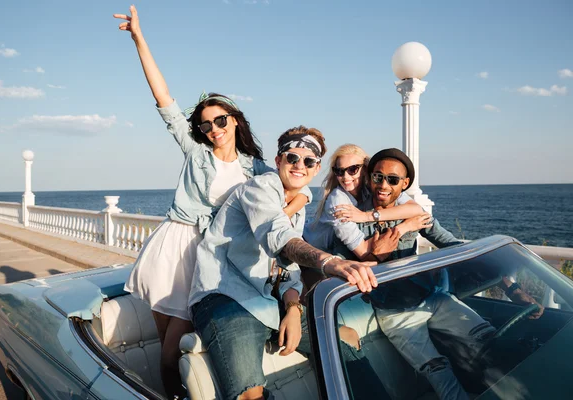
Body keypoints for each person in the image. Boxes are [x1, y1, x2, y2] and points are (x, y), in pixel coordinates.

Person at [113, 6, 307, 398]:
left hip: (213, 257)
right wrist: (139, 38)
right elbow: (164, 100)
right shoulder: (196, 153)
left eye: (220, 121)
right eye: (205, 124)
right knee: (168, 344)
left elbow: (278, 202)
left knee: (178, 344)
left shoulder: (257, 169)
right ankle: (172, 394)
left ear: (234, 120)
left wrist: (301, 197)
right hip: (176, 245)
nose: (213, 129)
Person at [189, 126, 380, 400]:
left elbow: (287, 269)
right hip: (226, 298)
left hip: (269, 302)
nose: (299, 165)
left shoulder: (298, 206)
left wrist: (293, 308)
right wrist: (329, 262)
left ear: (315, 170)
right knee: (248, 394)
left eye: (309, 161)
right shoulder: (258, 188)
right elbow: (280, 238)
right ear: (278, 161)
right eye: (292, 158)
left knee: (347, 354)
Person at [340, 148, 544, 400]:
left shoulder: (413, 214)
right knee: (439, 374)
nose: (383, 185)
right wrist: (377, 254)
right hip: (394, 312)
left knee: (491, 341)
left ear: (404, 184)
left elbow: (459, 250)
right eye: (377, 177)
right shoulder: (352, 220)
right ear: (369, 177)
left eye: (393, 180)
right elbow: (344, 266)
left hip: (433, 298)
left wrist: (512, 288)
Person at [304, 143, 430, 262]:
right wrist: (405, 227)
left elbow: (416, 209)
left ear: (365, 169)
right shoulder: (338, 201)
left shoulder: (375, 186)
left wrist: (366, 216)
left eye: (352, 169)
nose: (346, 177)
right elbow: (364, 252)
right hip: (312, 252)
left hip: (333, 254)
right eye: (340, 171)